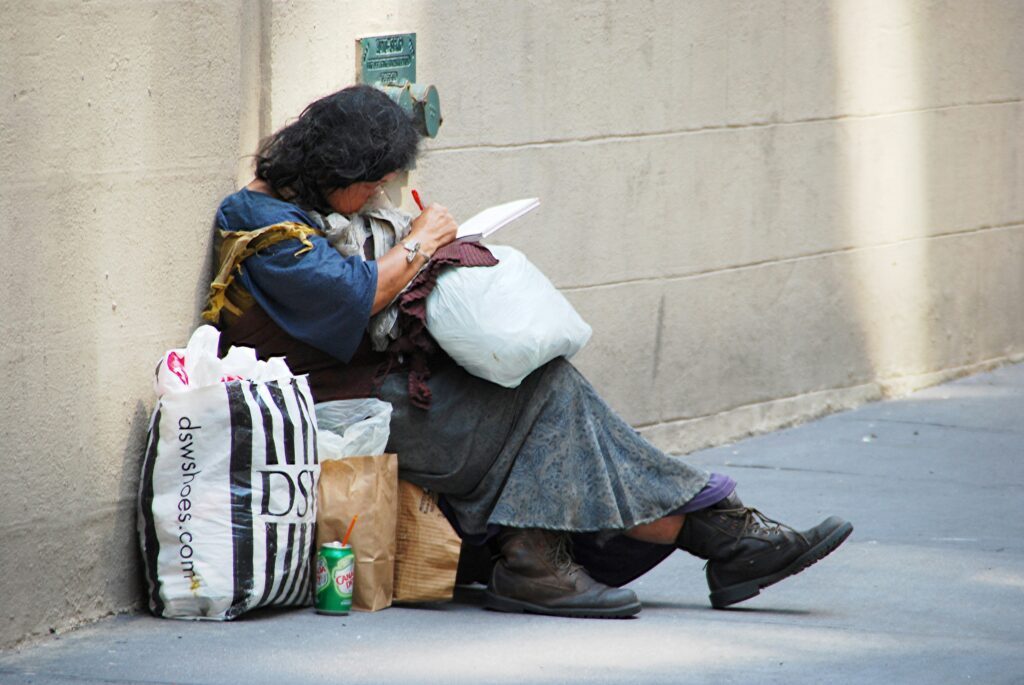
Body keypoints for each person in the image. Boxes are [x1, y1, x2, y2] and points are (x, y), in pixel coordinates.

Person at [204, 84, 852, 618]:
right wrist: (424, 242)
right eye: (371, 182)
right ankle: (708, 530)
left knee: (546, 385)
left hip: (377, 386)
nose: (379, 193)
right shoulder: (256, 219)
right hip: (333, 410)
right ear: (333, 172)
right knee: (548, 393)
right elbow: (347, 298)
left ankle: (564, 556)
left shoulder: (311, 210)